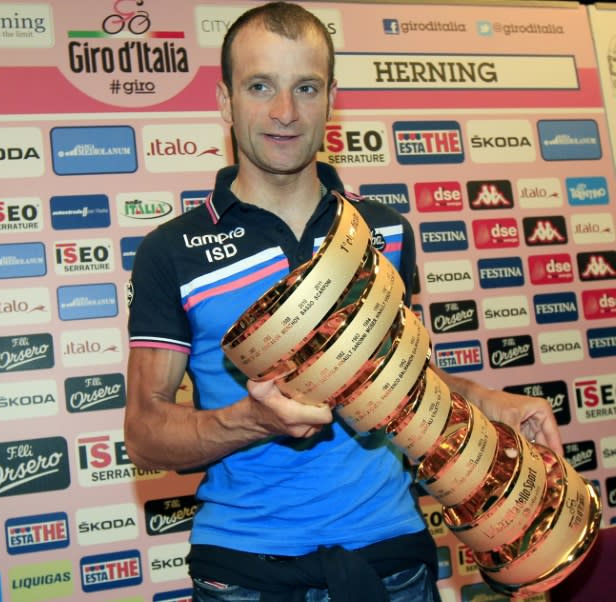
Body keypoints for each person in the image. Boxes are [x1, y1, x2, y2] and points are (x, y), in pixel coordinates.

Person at [125, 2, 563, 601]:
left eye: (305, 88)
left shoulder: (382, 231)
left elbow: (394, 378)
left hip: (391, 558)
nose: (285, 112)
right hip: (246, 568)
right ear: (226, 101)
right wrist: (251, 421)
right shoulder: (171, 251)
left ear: (331, 99)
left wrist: (488, 401)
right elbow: (146, 432)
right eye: (261, 86)